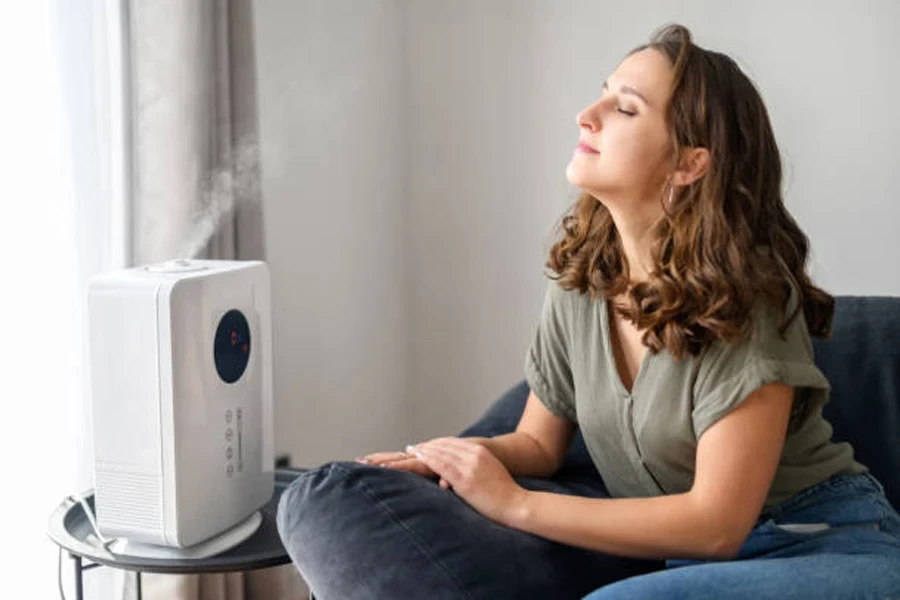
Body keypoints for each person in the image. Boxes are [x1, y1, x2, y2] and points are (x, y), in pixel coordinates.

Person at [278, 24, 900, 599]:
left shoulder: (746, 303)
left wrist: (513, 504)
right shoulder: (582, 284)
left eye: (624, 108)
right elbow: (538, 444)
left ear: (689, 163)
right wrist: (452, 458)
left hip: (818, 539)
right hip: (699, 568)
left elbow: (716, 526)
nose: (587, 116)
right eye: (603, 95)